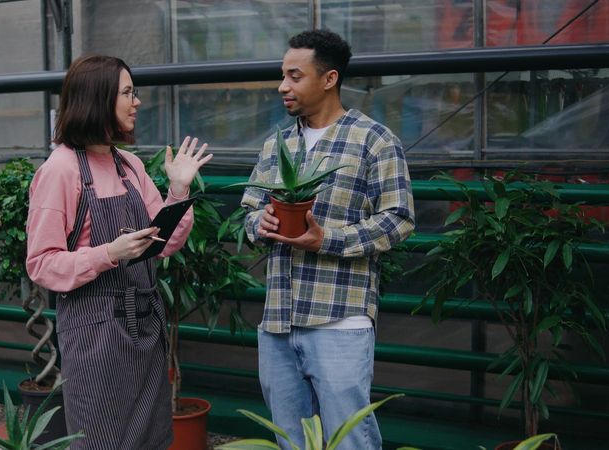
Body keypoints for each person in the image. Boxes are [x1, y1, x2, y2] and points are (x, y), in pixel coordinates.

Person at [240, 29, 415, 450]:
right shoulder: (276, 145)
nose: (283, 86)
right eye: (282, 75)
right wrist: (258, 223)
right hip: (278, 320)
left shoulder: (374, 140)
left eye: (295, 76)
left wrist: (327, 240)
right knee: (291, 440)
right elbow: (247, 212)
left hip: (340, 318)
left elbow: (399, 219)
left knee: (349, 439)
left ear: (329, 78)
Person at [26, 54, 211, 449]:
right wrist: (107, 253)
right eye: (127, 92)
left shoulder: (128, 164)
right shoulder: (60, 170)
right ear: (98, 98)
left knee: (150, 438)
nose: (137, 101)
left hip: (143, 323)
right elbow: (41, 264)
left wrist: (178, 190)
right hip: (95, 332)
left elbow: (166, 243)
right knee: (102, 439)